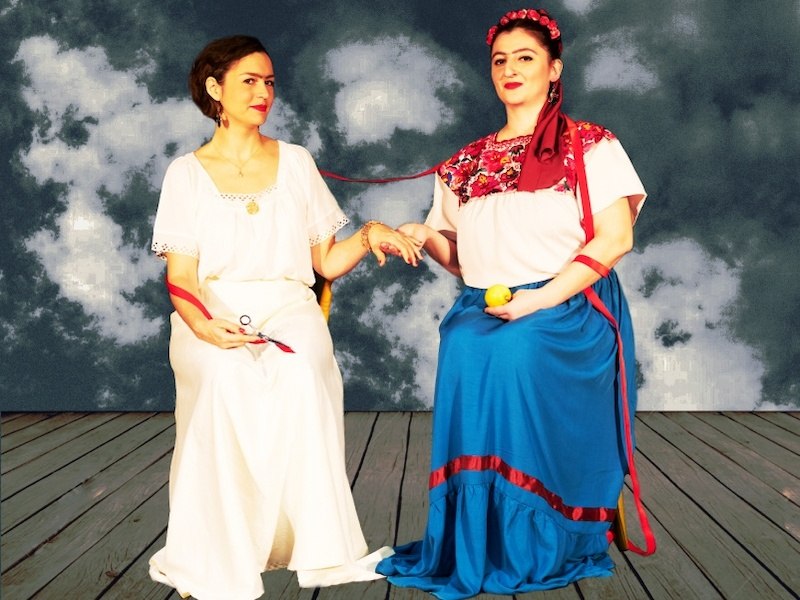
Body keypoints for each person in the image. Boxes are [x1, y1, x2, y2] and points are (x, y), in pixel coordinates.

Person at [376, 8, 652, 599]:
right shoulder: (462, 164)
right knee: (463, 345)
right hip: (487, 306)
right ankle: (475, 541)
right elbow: (464, 262)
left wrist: (539, 301)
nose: (509, 68)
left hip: (569, 308)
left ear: (554, 69)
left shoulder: (591, 145)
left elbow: (616, 237)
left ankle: (539, 537)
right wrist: (423, 235)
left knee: (514, 354)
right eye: (500, 59)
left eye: (524, 57)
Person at [148, 35, 423, 600]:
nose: (263, 92)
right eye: (249, 80)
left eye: (269, 81)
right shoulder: (186, 173)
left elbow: (324, 260)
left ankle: (323, 556)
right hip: (211, 307)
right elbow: (181, 277)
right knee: (225, 380)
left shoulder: (295, 161)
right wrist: (204, 326)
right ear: (214, 88)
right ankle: (222, 559)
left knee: (300, 376)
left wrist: (370, 233)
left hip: (288, 305)